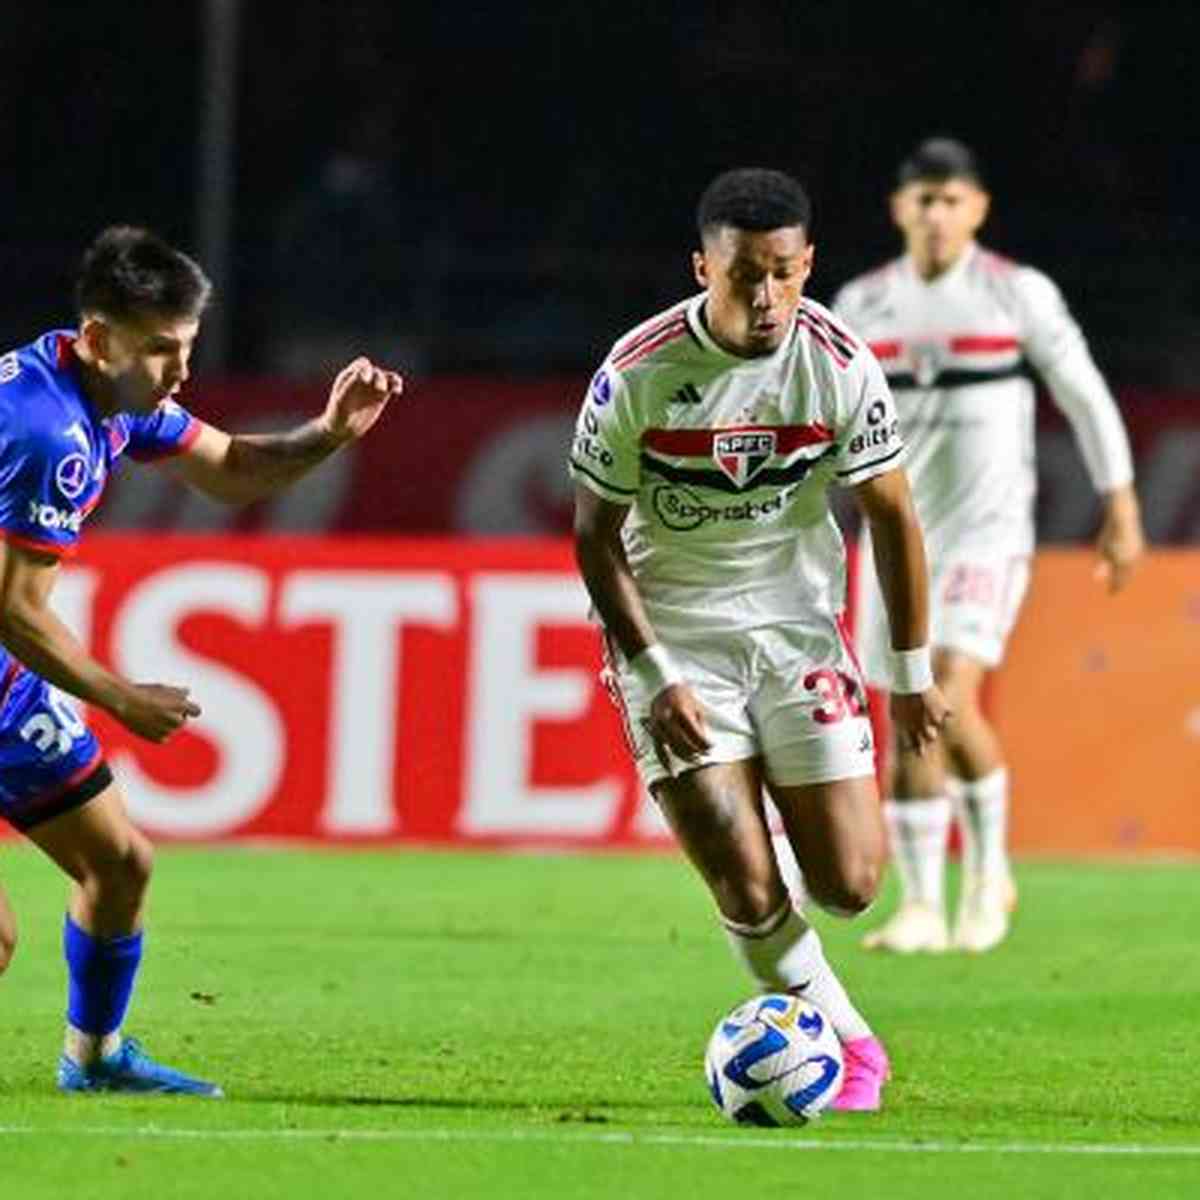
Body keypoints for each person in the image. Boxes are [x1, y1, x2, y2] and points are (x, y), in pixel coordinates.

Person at [570, 168, 949, 1112]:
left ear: (808, 262)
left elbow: (895, 518)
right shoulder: (641, 370)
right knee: (743, 879)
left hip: (796, 631)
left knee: (854, 885)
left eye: (784, 271)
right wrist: (652, 671)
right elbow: (592, 535)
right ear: (705, 266)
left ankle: (773, 839)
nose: (767, 294)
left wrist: (906, 673)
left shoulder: (839, 361)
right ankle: (850, 1046)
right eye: (745, 274)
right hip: (678, 638)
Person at [0, 225, 402, 1094]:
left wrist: (328, 433)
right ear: (100, 337)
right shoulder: (46, 435)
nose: (181, 372)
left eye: (188, 348)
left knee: (120, 865)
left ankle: (96, 1060)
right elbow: (16, 611)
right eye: (162, 350)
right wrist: (121, 698)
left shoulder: (105, 389)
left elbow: (227, 467)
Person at [833, 138, 1144, 954]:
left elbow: (1083, 393)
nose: (936, 214)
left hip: (986, 533)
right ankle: (922, 908)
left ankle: (986, 875)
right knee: (906, 710)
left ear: (978, 208)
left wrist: (1120, 502)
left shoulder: (1016, 293)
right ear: (900, 209)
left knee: (945, 688)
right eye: (922, 200)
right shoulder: (862, 305)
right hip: (897, 540)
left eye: (951, 199)